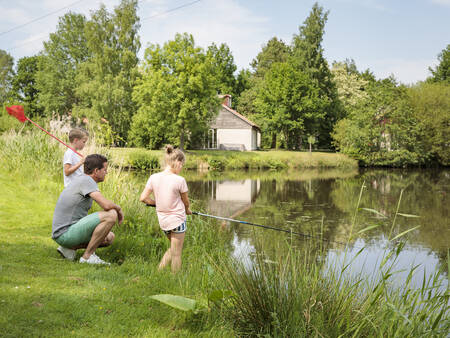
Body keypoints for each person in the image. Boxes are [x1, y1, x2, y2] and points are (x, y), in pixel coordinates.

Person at [52, 154, 124, 265]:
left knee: (109, 237)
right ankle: (87, 257)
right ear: (96, 171)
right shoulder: (87, 181)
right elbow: (106, 205)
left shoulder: (83, 179)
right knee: (111, 215)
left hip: (63, 233)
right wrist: (119, 210)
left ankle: (69, 249)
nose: (107, 172)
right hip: (65, 233)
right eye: (105, 169)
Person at [139, 145, 192, 273]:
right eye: (182, 165)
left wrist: (157, 203)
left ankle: (159, 271)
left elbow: (143, 198)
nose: (181, 168)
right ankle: (175, 280)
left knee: (173, 248)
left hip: (164, 222)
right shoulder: (180, 180)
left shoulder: (154, 177)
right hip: (178, 221)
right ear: (178, 162)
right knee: (177, 254)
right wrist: (188, 210)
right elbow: (186, 201)